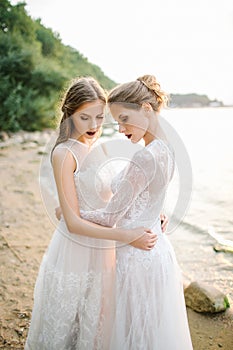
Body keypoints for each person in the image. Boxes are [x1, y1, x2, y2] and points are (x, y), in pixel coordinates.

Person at [24, 76, 160, 350]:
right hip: (78, 248)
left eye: (99, 117)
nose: (94, 125)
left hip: (103, 247)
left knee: (95, 322)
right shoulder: (64, 153)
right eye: (84, 117)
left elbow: (115, 198)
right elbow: (73, 223)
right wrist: (126, 236)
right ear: (70, 114)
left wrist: (154, 213)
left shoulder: (95, 149)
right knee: (68, 320)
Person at [80, 75, 194, 349]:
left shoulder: (145, 156)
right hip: (157, 251)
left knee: (132, 333)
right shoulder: (167, 148)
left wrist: (75, 212)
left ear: (145, 108)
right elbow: (153, 194)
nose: (119, 128)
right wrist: (158, 213)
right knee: (150, 332)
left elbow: (109, 218)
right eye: (117, 121)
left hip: (135, 259)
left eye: (123, 118)